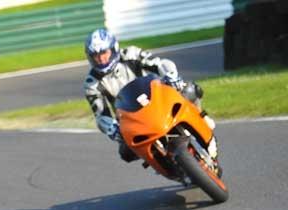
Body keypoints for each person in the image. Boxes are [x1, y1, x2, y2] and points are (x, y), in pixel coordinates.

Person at [83, 28, 216, 163]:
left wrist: (171, 76)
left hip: (157, 97)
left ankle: (202, 118)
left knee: (190, 89)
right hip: (130, 118)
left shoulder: (131, 54)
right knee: (125, 152)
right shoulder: (91, 83)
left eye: (104, 53)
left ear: (114, 48)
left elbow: (160, 63)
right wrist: (112, 129)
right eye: (95, 56)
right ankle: (162, 163)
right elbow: (101, 115)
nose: (101, 59)